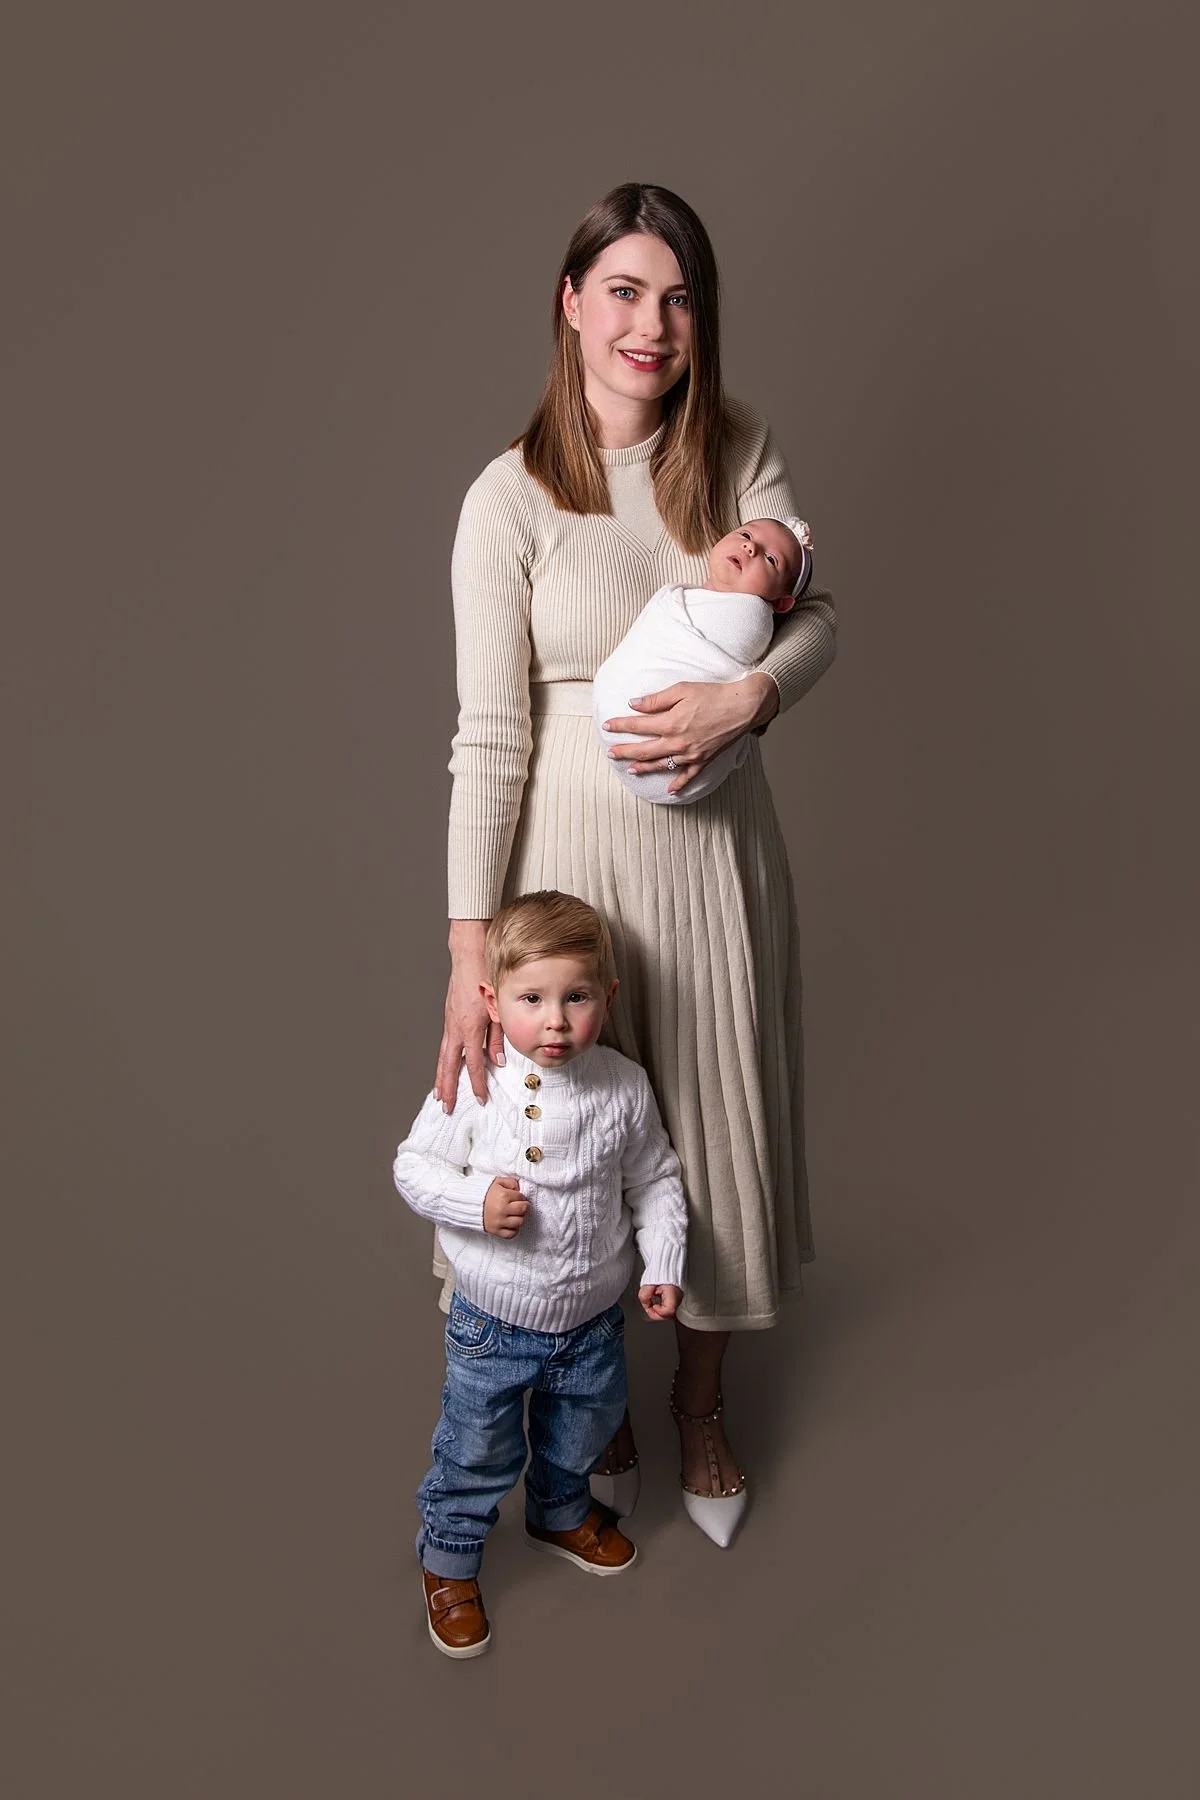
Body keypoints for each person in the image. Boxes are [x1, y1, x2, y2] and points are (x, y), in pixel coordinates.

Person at [433, 180, 837, 1550]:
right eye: (623, 292)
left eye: (677, 298)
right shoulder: (510, 498)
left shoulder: (735, 446)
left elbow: (816, 616)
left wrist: (751, 700)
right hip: (569, 866)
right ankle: (588, 1401)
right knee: (574, 1156)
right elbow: (490, 739)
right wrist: (467, 956)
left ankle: (700, 1406)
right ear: (571, 302)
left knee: (714, 1140)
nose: (651, 325)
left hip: (715, 863)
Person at [396, 890, 687, 1657]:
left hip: (591, 1320)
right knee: (477, 1446)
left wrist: (664, 1260)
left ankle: (559, 1513)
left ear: (606, 997)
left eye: (577, 997)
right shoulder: (479, 1078)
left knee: (581, 1430)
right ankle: (450, 1558)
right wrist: (473, 1202)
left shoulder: (621, 1085)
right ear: (492, 999)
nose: (555, 1021)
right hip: (492, 1322)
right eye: (532, 999)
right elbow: (413, 1166)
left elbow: (654, 1178)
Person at [592, 515, 814, 804]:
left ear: (781, 604)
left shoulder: (750, 620)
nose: (751, 549)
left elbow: (814, 617)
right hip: (601, 768)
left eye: (771, 559)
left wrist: (752, 699)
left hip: (693, 770)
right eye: (745, 535)